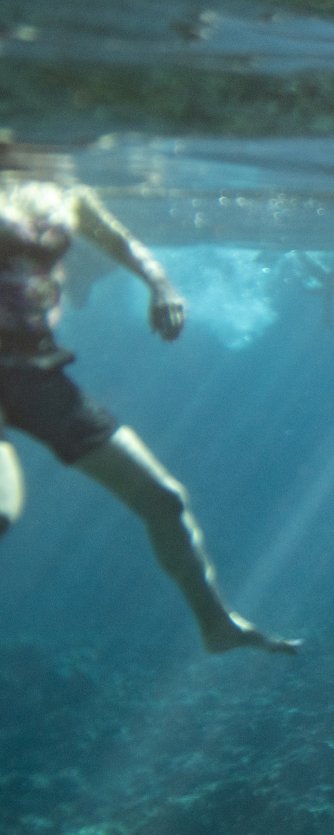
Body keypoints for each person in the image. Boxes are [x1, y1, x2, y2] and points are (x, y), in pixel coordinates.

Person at [0, 148, 296, 654]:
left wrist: (161, 285)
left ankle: (216, 624)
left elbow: (120, 240)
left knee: (163, 500)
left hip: (38, 375)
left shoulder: (67, 189)